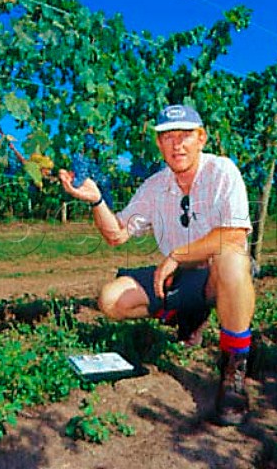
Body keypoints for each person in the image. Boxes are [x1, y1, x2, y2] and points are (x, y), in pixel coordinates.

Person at [59, 104, 255, 426]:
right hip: (179, 277)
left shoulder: (222, 172)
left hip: (215, 273)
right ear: (159, 144)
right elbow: (117, 234)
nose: (177, 144)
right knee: (111, 299)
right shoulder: (154, 186)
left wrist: (177, 255)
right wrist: (96, 201)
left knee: (232, 259)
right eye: (167, 137)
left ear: (201, 138)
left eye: (185, 135)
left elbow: (234, 234)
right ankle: (187, 314)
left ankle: (234, 368)